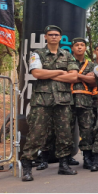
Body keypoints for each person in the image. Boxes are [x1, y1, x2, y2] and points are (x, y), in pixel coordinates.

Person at [20, 25, 79, 182]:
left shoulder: (67, 55)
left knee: (65, 134)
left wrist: (49, 74)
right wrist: (60, 72)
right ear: (45, 37)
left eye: (56, 35)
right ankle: (27, 167)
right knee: (36, 135)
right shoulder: (37, 54)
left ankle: (64, 165)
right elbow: (37, 73)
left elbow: (73, 77)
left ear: (60, 38)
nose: (53, 37)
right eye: (50, 34)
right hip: (42, 101)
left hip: (63, 100)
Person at [69, 38, 97, 170]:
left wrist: (77, 76)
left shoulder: (92, 65)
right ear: (72, 48)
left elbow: (94, 81)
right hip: (67, 99)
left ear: (85, 48)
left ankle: (87, 157)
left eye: (82, 45)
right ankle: (66, 157)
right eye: (76, 45)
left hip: (86, 100)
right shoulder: (66, 62)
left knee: (87, 130)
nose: (79, 47)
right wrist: (85, 76)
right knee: (66, 129)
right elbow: (65, 76)